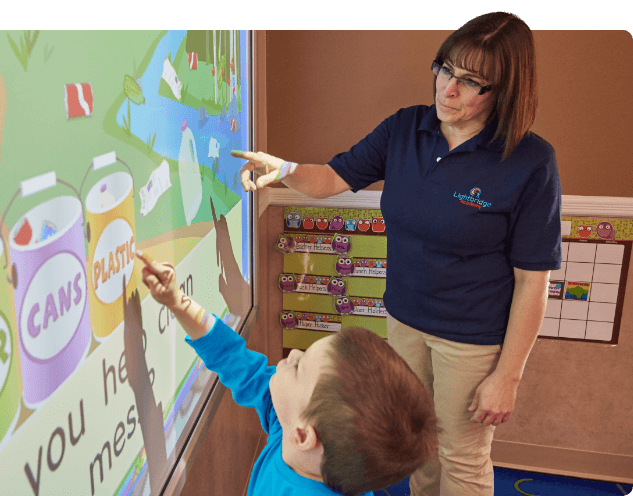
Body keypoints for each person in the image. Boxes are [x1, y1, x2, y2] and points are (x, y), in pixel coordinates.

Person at [232, 13, 562, 496]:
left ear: (506, 91)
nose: (447, 90)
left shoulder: (530, 161)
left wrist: (507, 377)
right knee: (419, 451)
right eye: (445, 70)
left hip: (472, 340)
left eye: (471, 83)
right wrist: (282, 168)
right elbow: (332, 178)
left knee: (462, 458)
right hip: (405, 321)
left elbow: (534, 281)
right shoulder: (408, 127)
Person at [133, 250, 439, 496]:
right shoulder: (294, 427)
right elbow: (235, 361)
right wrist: (178, 302)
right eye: (302, 355)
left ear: (304, 435)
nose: (292, 354)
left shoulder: (293, 430)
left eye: (298, 368)